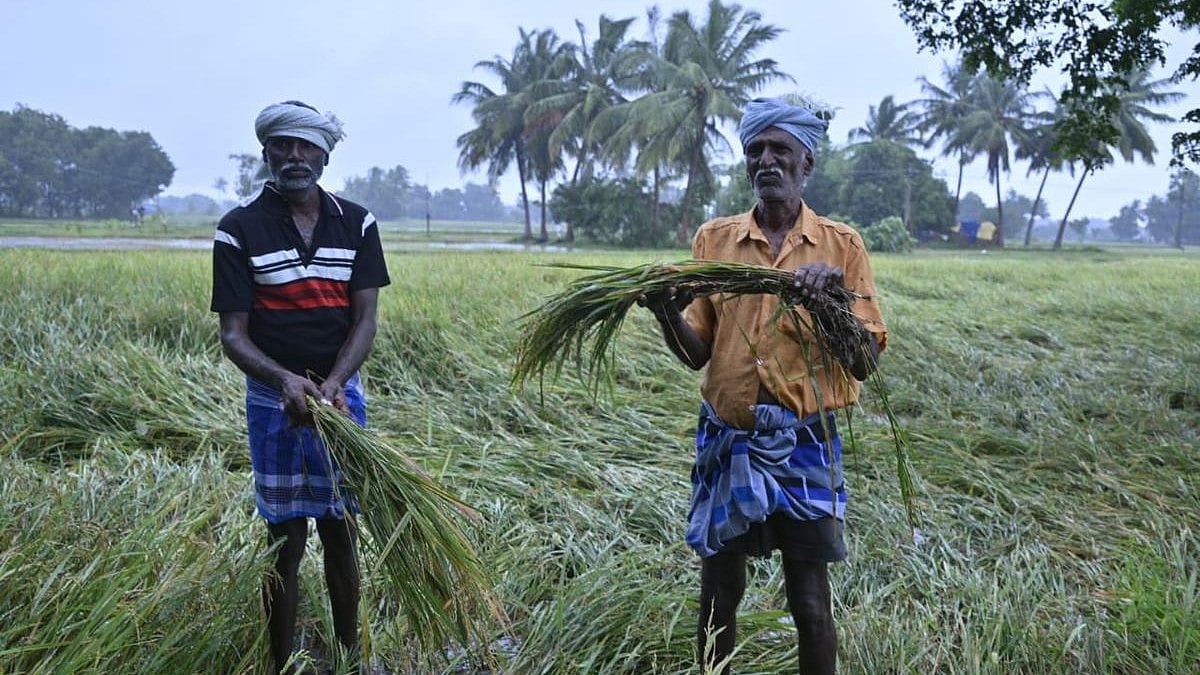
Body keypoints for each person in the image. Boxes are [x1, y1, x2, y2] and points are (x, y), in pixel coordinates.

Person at [641, 97, 887, 675]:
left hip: (806, 439)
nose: (766, 160)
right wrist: (663, 311)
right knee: (719, 595)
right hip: (732, 438)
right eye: (756, 150)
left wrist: (829, 303)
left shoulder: (841, 247)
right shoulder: (715, 241)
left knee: (808, 600)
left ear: (807, 164)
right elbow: (696, 351)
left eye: (781, 150)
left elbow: (863, 363)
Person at [210, 100, 390, 674]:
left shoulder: (357, 222)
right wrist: (285, 380)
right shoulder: (239, 229)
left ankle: (349, 657)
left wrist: (335, 383)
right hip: (274, 403)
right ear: (266, 152)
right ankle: (280, 663)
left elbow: (364, 320)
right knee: (283, 540)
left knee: (341, 532)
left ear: (324, 154)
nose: (294, 155)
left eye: (306, 146)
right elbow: (234, 336)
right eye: (283, 145)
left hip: (341, 400)